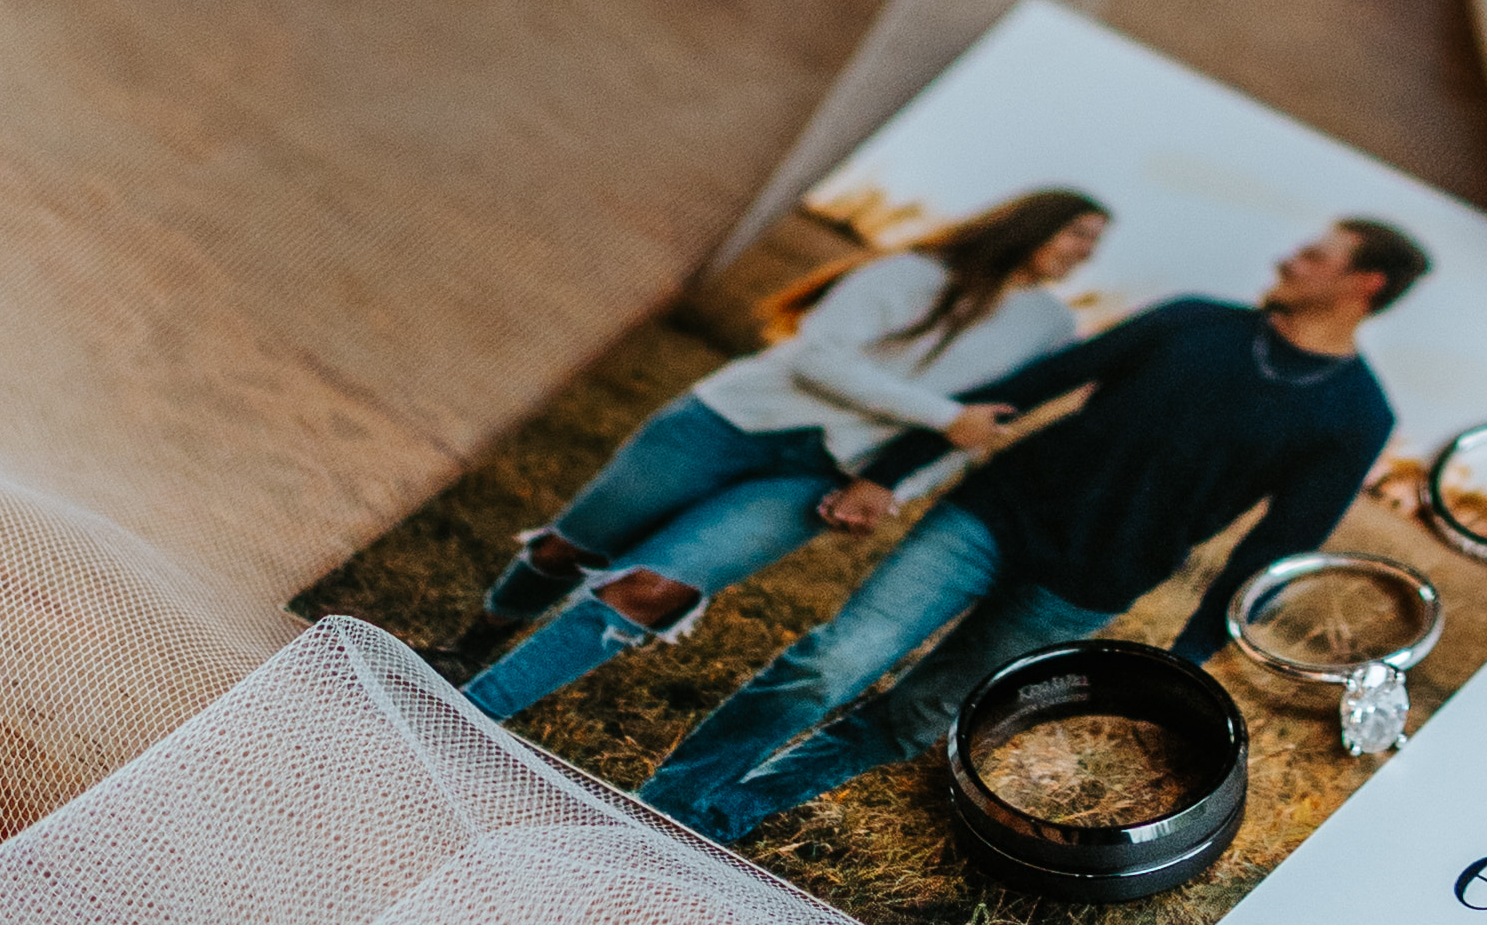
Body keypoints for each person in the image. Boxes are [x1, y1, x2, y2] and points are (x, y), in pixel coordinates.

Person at [641, 216, 1435, 853]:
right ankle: (665, 801)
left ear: (1363, 283)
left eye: (1315, 254)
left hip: (1090, 584)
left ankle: (723, 814)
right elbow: (1037, 385)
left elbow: (1277, 551)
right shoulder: (1194, 321)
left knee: (917, 718)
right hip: (996, 515)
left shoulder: (1358, 415)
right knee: (833, 662)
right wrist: (894, 470)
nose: (1291, 259)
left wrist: (1189, 656)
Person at [442, 193, 1113, 726]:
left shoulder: (1050, 328)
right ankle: (471, 644)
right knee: (570, 549)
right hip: (726, 422)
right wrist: (941, 415)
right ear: (1033, 223)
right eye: (1078, 233)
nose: (1084, 253)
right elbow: (820, 357)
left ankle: (473, 712)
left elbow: (984, 424)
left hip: (822, 475)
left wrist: (893, 487)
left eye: (1094, 245)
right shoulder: (912, 273)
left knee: (656, 587)